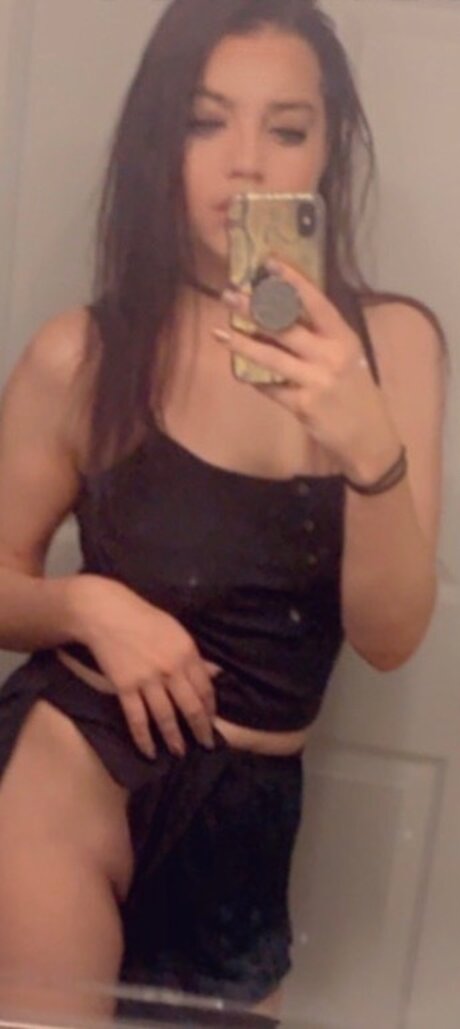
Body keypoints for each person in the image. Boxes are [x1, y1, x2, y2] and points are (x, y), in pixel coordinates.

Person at [0, 0, 445, 1022]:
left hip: (246, 829)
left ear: (328, 148)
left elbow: (389, 639)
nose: (245, 160)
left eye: (286, 127)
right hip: (76, 771)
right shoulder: (86, 355)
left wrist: (368, 447)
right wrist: (87, 607)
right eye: (205, 121)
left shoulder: (394, 348)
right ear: (160, 139)